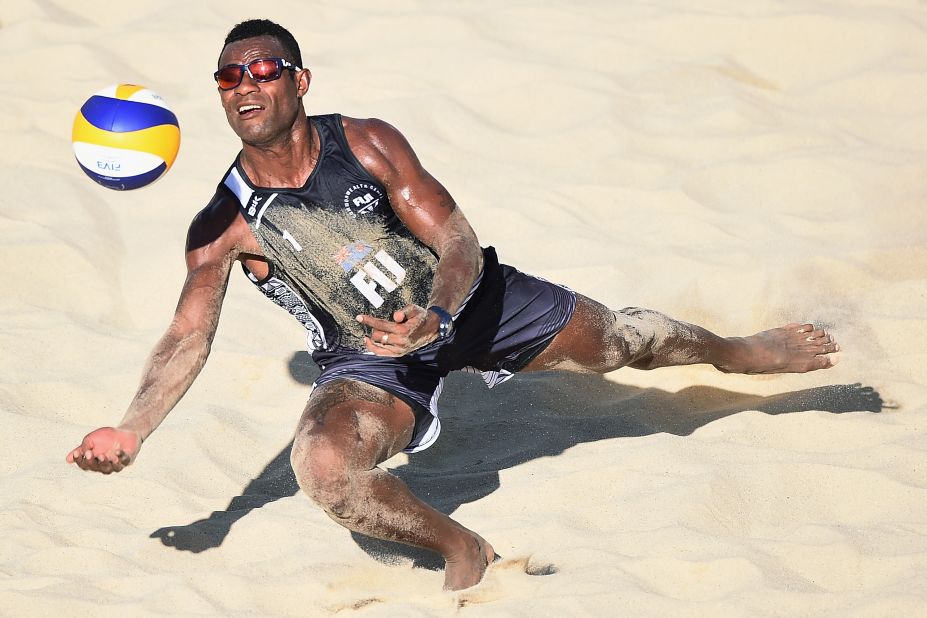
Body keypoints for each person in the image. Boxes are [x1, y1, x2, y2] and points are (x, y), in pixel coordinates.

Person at [66, 19, 840, 590]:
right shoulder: (224, 225)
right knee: (324, 468)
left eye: (263, 70)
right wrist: (131, 428)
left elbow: (458, 241)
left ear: (298, 81)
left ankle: (738, 350)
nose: (246, 87)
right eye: (228, 77)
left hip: (467, 304)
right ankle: (460, 547)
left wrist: (436, 314)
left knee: (621, 342)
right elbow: (187, 336)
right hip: (368, 359)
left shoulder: (366, 143)